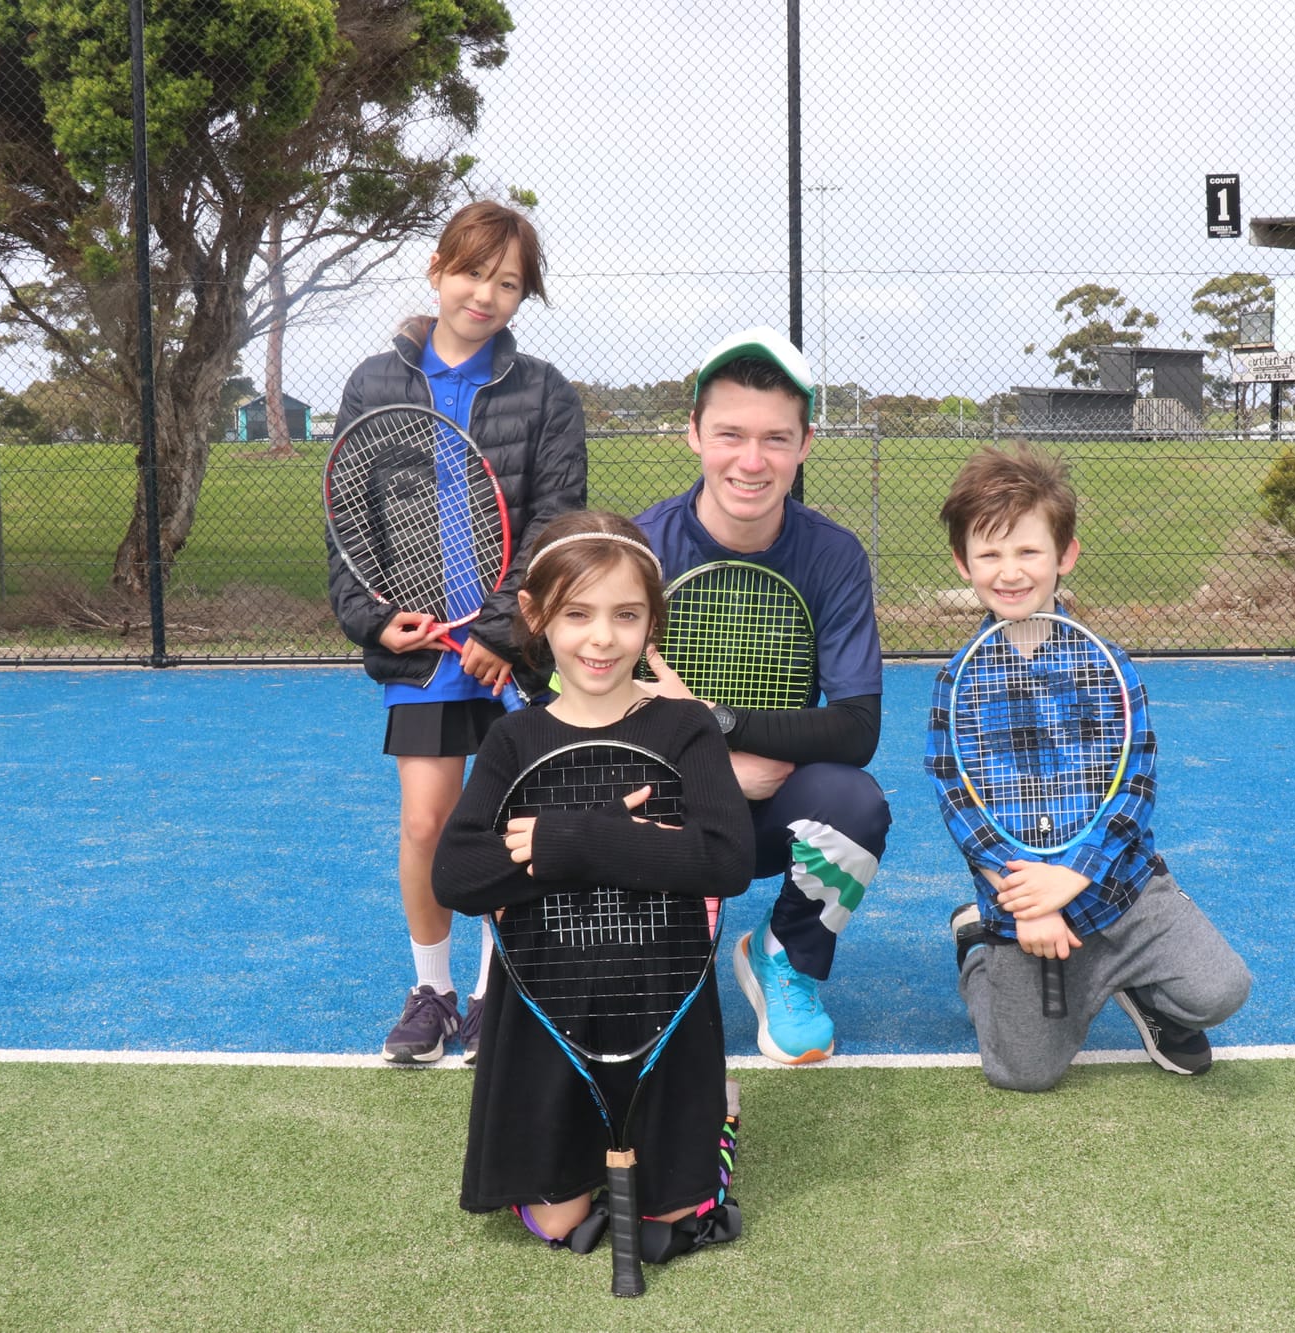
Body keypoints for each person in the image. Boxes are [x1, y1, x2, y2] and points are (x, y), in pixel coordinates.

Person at [431, 511, 750, 1263]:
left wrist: (576, 836)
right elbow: (459, 873)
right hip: (548, 1012)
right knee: (560, 1224)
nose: (601, 637)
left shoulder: (684, 728)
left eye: (625, 615)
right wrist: (624, 834)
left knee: (672, 1231)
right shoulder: (515, 739)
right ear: (538, 618)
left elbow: (728, 857)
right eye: (577, 613)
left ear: (650, 624)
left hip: (662, 1006)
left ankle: (717, 1117)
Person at [328, 200, 586, 1065]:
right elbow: (346, 522)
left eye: (508, 282)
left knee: (511, 824)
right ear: (438, 270)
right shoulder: (372, 383)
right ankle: (432, 989)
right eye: (473, 272)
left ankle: (490, 993)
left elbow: (556, 524)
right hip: (425, 654)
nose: (486, 293)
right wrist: (375, 621)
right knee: (427, 826)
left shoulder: (545, 391)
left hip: (511, 654)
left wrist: (510, 631)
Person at [925, 444, 1252, 1092]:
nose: (1010, 570)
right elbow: (961, 803)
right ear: (964, 562)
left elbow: (1134, 787)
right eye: (990, 554)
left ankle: (1142, 991)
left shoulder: (1108, 665)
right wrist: (1029, 903)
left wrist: (1071, 878)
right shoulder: (957, 682)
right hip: (1026, 910)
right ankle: (976, 950)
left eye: (1027, 551)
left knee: (1222, 988)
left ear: (1063, 555)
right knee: (1022, 1071)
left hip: (1121, 892)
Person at [634, 328, 891, 1065]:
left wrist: (716, 724)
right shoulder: (637, 549)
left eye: (775, 438)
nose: (752, 461)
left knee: (854, 805)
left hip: (770, 801)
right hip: (667, 800)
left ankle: (789, 957)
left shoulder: (834, 555)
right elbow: (577, 713)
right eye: (730, 435)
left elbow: (856, 728)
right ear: (693, 435)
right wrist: (703, 762)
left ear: (805, 443)